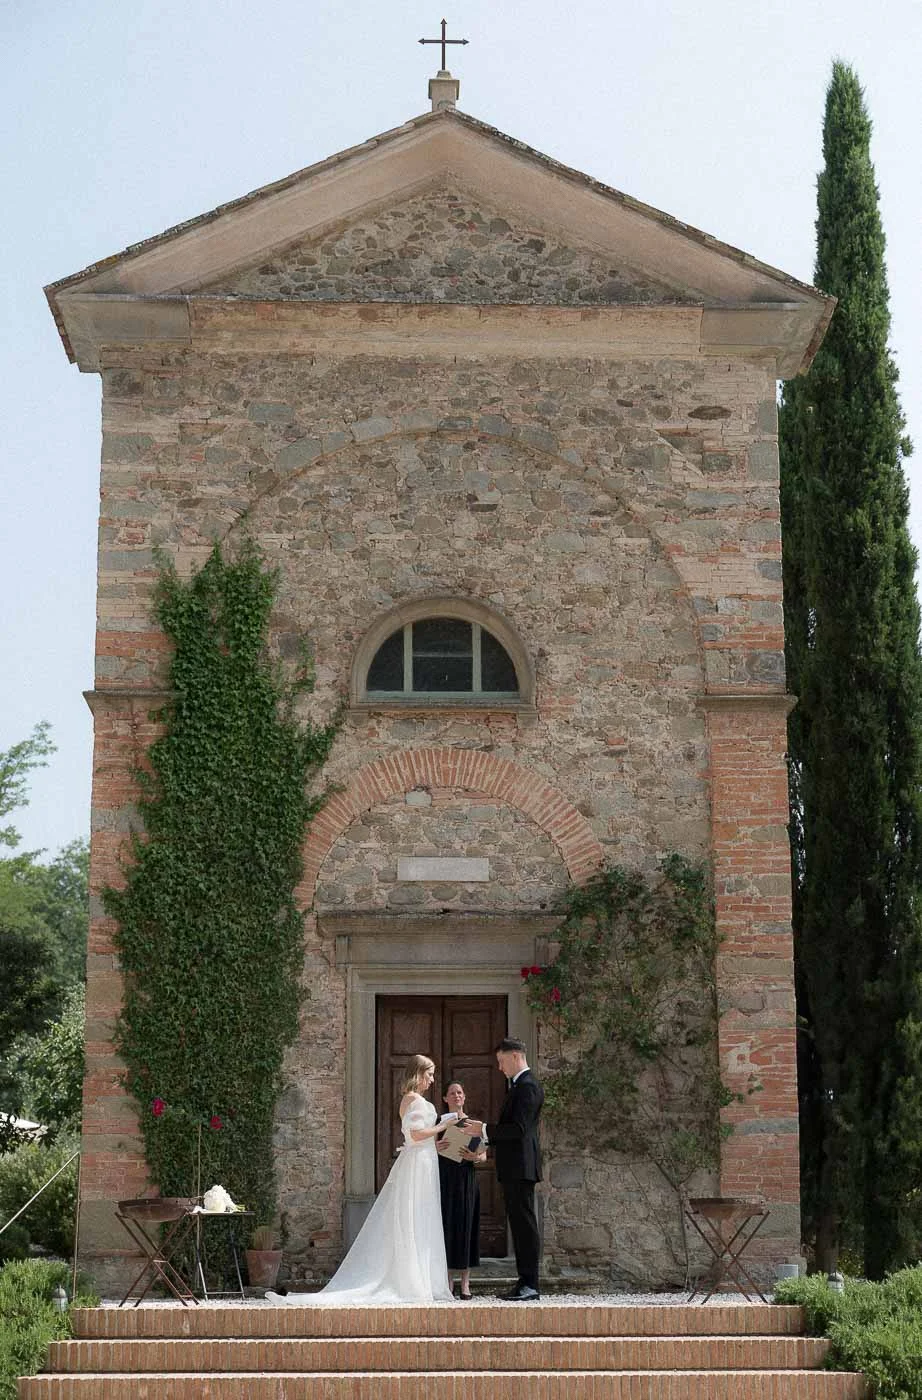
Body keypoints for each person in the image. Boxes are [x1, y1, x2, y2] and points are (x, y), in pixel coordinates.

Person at [267, 1054, 453, 1304]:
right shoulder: (413, 1099)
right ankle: (413, 1280)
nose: (432, 1079)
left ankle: (422, 1277)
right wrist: (442, 1126)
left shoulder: (416, 1100)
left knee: (422, 1216)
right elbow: (416, 1134)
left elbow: (419, 1138)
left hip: (424, 1161)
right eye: (429, 1074)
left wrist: (438, 1145)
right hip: (417, 1165)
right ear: (418, 1074)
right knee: (414, 1217)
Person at [460, 1037, 544, 1301]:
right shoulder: (519, 1087)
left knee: (524, 1225)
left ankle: (530, 1284)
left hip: (521, 1167)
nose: (499, 1067)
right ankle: (525, 1281)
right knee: (519, 1225)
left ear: (516, 1056)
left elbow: (518, 1130)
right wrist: (481, 1137)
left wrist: (483, 1129)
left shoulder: (528, 1087)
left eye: (501, 1061)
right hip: (515, 1167)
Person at [435, 1080, 486, 1299]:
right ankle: (447, 1281)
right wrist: (434, 1147)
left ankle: (465, 1283)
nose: (457, 1096)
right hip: (444, 1179)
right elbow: (422, 1149)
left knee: (466, 1228)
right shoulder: (437, 1123)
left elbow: (484, 1155)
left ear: (464, 1097)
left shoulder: (474, 1124)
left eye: (460, 1093)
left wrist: (474, 1156)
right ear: (445, 1098)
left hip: (466, 1178)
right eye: (452, 1093)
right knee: (445, 1227)